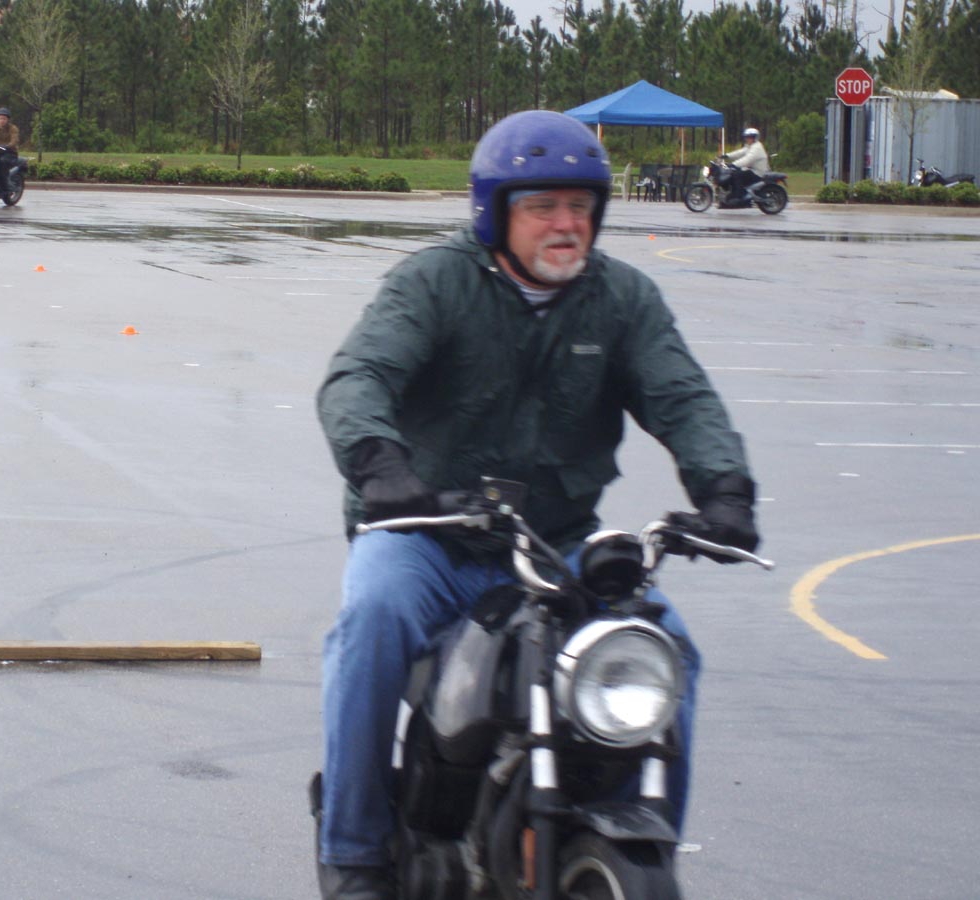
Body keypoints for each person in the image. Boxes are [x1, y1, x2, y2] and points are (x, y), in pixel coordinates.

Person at [313, 109, 761, 900]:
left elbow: (683, 398)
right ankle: (354, 852)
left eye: (580, 206)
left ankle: (640, 843)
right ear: (495, 213)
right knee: (372, 620)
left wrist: (723, 490)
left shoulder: (622, 299)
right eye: (543, 206)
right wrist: (381, 467)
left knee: (668, 647)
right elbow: (359, 377)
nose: (565, 224)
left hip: (555, 543)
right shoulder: (435, 283)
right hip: (429, 532)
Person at [723, 126, 769, 203]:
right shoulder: (750, 146)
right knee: (733, 173)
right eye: (747, 137)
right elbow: (740, 152)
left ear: (755, 138)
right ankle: (733, 192)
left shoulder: (757, 147)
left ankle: (738, 195)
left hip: (758, 172)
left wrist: (734, 164)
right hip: (752, 170)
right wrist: (727, 155)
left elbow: (748, 159)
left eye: (750, 137)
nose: (747, 139)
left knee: (738, 175)